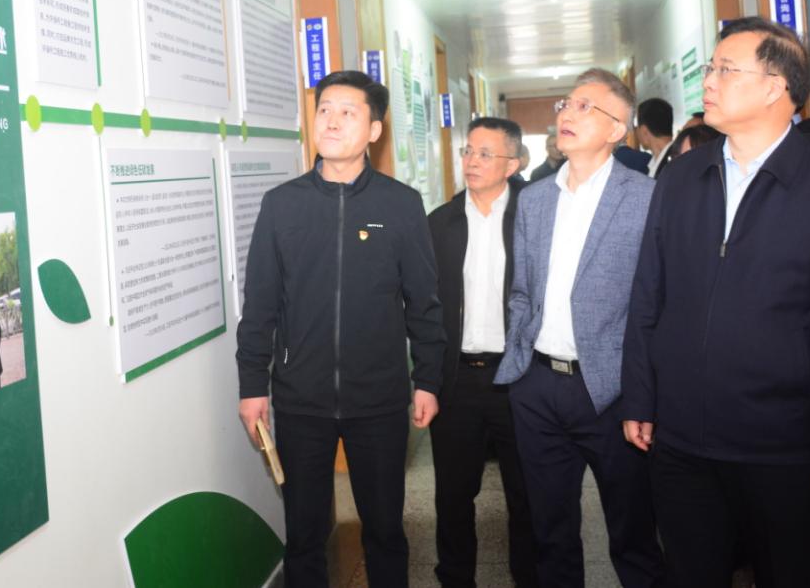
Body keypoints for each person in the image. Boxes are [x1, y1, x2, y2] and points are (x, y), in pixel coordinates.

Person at [622, 17, 810, 588]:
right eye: (710, 67)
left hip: (783, 448)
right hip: (681, 442)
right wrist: (640, 395)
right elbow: (648, 296)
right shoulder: (681, 178)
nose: (708, 81)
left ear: (775, 87)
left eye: (725, 69)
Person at [236, 70, 445, 588]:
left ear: (374, 130)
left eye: (348, 112)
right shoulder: (282, 204)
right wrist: (252, 386)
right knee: (304, 535)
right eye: (325, 109)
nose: (331, 121)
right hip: (300, 399)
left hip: (379, 398)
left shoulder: (400, 204)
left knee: (385, 530)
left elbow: (423, 302)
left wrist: (428, 379)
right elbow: (260, 304)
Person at [495, 69, 666, 588]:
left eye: (585, 107)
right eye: (566, 104)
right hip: (538, 387)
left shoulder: (647, 197)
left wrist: (644, 396)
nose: (567, 113)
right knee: (550, 534)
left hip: (613, 392)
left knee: (633, 534)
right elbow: (522, 290)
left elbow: (658, 304)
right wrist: (520, 365)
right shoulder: (534, 198)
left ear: (617, 129)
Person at [427, 117, 537, 588]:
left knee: (527, 493)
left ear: (513, 164)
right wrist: (426, 381)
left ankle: (530, 577)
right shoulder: (440, 223)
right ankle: (455, 579)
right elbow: (425, 308)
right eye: (468, 151)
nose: (471, 161)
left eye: (485, 154)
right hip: (458, 380)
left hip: (519, 377)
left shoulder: (535, 215)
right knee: (453, 495)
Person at [634, 98, 674, 177]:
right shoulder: (679, 156)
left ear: (644, 132)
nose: (636, 131)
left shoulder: (674, 163)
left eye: (637, 126)